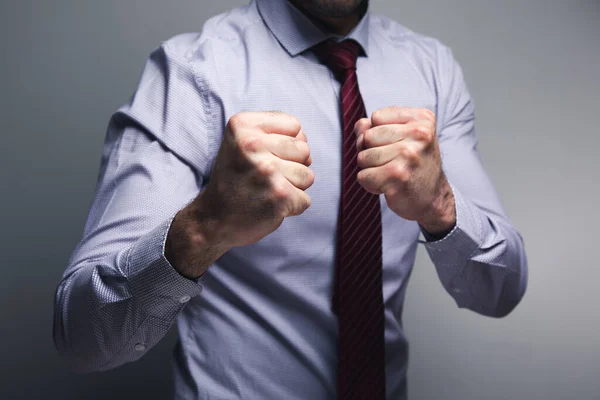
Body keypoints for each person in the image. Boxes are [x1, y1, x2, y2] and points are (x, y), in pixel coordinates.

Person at [53, 0, 528, 398]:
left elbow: (499, 292)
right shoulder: (192, 73)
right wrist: (206, 225)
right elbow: (83, 340)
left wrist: (440, 206)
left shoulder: (431, 71)